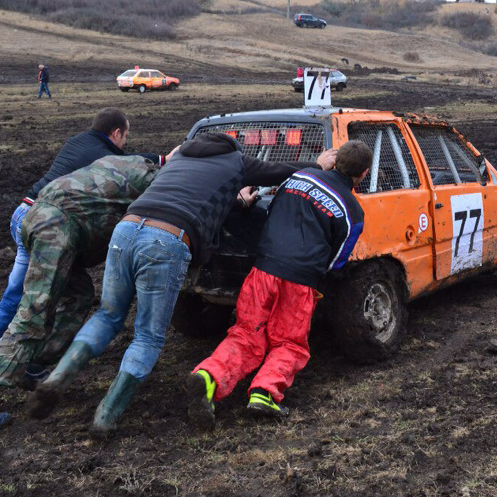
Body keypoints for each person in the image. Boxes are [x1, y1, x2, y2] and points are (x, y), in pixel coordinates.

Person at [29, 133, 338, 435]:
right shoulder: (234, 160)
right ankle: (106, 416)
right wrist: (319, 164)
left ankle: (58, 376)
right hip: (167, 239)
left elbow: (192, 194)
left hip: (126, 229)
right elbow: (282, 171)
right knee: (148, 337)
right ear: (231, 148)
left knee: (108, 315)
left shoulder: (180, 159)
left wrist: (237, 202)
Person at [0, 107, 166, 392]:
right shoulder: (102, 153)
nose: (126, 143)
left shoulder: (78, 141)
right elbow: (124, 165)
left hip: (27, 212)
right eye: (126, 136)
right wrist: (163, 160)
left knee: (74, 293)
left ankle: (29, 366)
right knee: (18, 303)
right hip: (44, 220)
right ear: (116, 132)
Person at [0, 152, 177, 430]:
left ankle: (33, 366)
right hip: (56, 228)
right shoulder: (154, 179)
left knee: (80, 295)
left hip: (40, 215)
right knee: (33, 313)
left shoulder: (127, 161)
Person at [186, 140, 371, 430]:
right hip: (300, 279)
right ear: (365, 173)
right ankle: (265, 394)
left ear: (335, 162)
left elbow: (271, 213)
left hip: (263, 269)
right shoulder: (353, 211)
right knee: (290, 342)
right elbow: (337, 261)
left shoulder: (296, 178)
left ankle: (209, 376)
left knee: (246, 334)